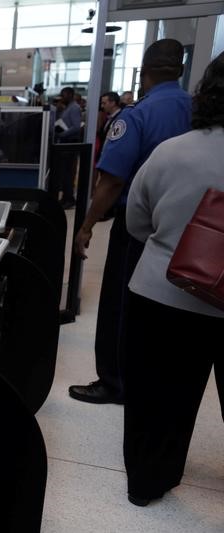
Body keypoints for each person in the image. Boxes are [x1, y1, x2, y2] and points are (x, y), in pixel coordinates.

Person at [122, 51, 224, 506]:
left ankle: (147, 483)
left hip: (161, 293)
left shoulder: (173, 150)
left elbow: (135, 222)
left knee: (155, 397)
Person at [69, 39, 191, 404]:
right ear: (180, 70)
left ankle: (114, 382)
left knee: (120, 303)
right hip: (188, 224)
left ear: (145, 71)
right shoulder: (198, 110)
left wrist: (87, 225)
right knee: (168, 305)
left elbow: (112, 180)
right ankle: (153, 378)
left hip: (138, 226)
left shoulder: (136, 115)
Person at [53, 87, 83, 209]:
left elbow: (76, 127)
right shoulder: (68, 107)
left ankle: (69, 199)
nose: (61, 97)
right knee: (64, 172)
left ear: (70, 95)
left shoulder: (74, 108)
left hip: (69, 142)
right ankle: (66, 197)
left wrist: (61, 134)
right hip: (64, 142)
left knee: (68, 172)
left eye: (63, 95)